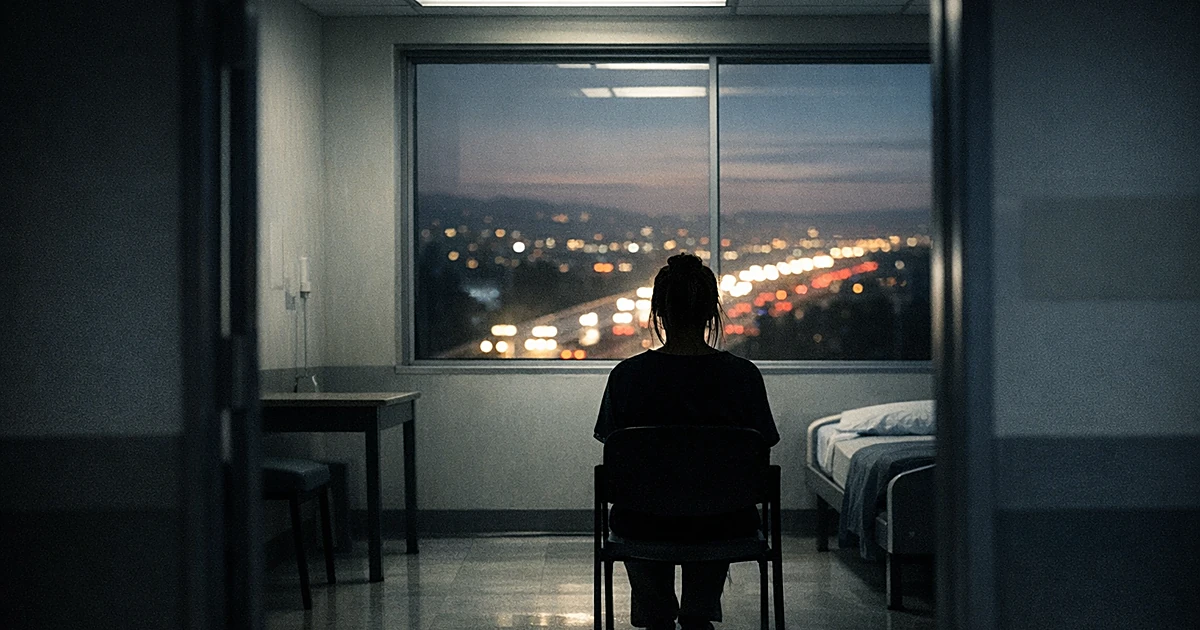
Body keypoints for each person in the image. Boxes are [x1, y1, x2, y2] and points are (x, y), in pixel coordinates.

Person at [594, 252, 780, 630]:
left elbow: (615, 457)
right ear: (713, 313)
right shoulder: (742, 377)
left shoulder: (627, 377)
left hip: (643, 524)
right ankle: (699, 611)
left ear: (658, 313)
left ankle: (655, 614)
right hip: (724, 523)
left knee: (647, 503)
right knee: (712, 498)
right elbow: (760, 453)